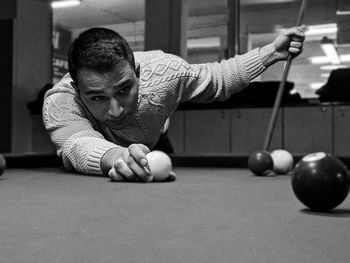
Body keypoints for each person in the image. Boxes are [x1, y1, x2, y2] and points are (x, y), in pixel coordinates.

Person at [43, 26, 305, 182]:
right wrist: (116, 156)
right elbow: (77, 145)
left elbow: (216, 79)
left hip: (156, 142)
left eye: (124, 89)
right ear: (78, 90)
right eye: (97, 97)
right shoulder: (60, 102)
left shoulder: (166, 72)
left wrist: (272, 52)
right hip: (119, 156)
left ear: (138, 72)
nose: (115, 109)